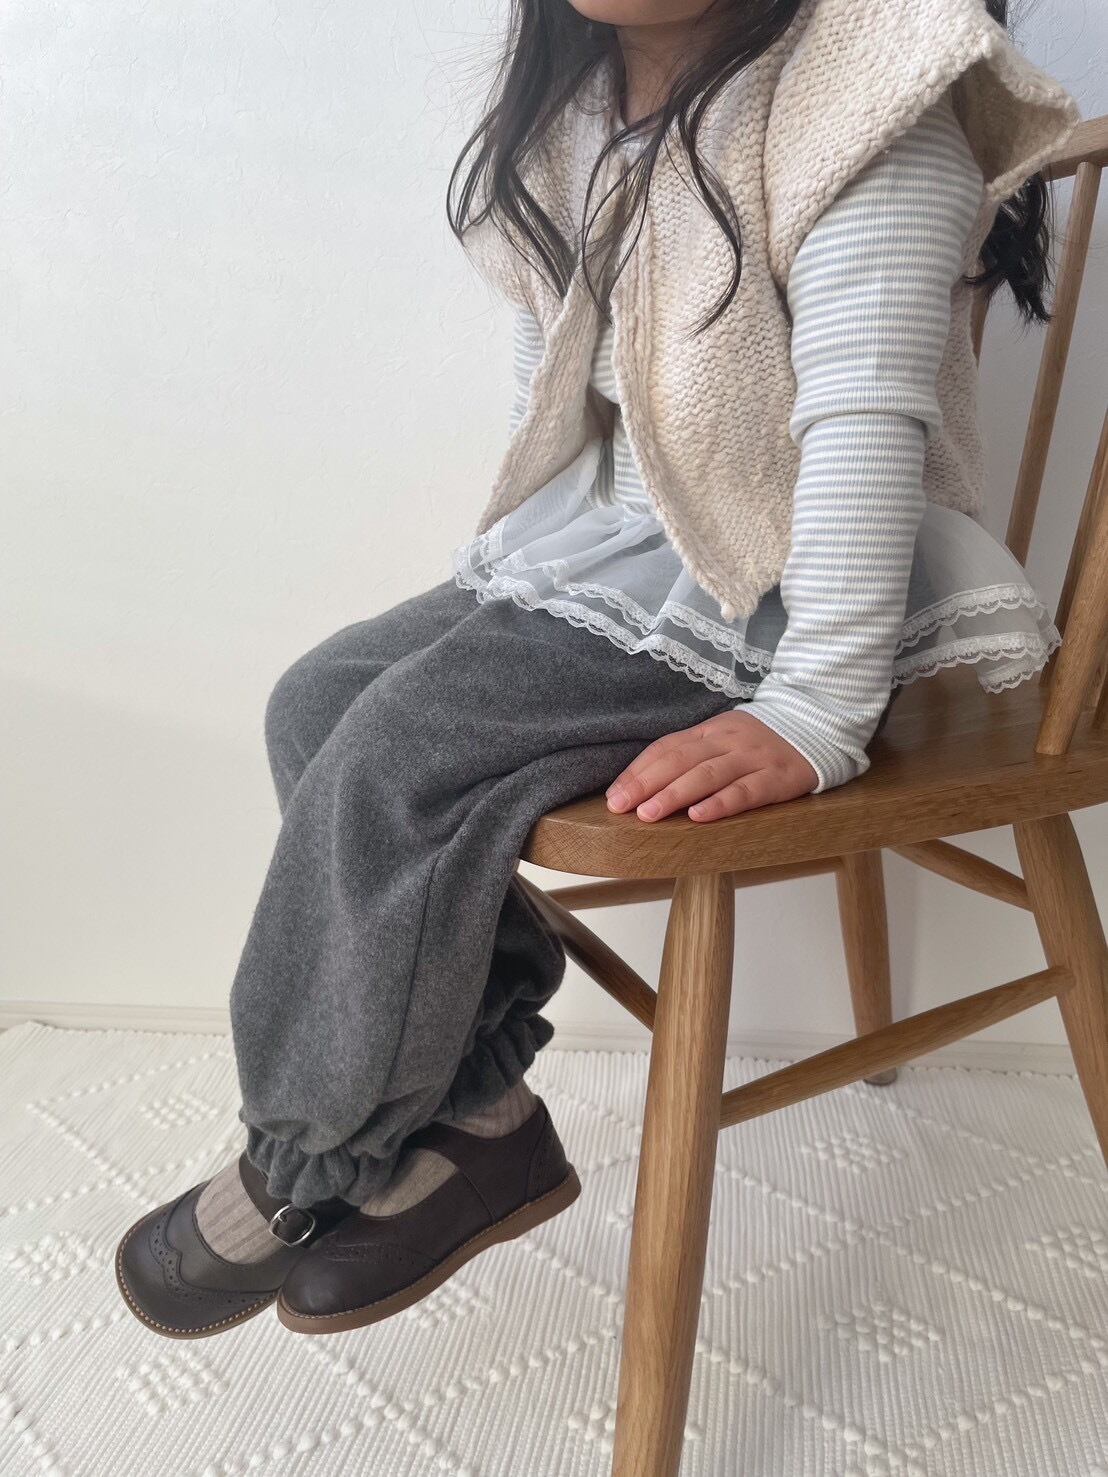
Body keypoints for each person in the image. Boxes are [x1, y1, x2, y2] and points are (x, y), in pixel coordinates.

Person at [115, 0, 1080, 1339]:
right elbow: (559, 376)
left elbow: (866, 421)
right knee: (319, 704)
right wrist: (506, 574)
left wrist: (817, 705)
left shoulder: (866, 102)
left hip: (772, 585)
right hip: (613, 552)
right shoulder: (582, 112)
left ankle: (303, 1160)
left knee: (398, 761)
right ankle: (478, 1108)